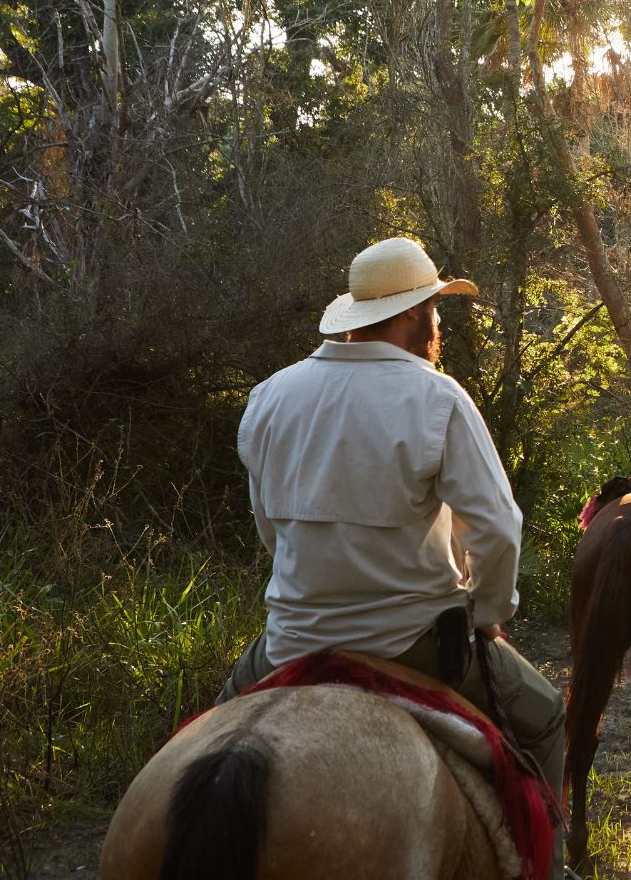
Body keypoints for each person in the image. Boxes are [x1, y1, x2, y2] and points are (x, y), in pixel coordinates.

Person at [215, 236, 566, 796]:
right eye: (433, 308)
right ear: (412, 314)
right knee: (546, 717)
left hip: (294, 639)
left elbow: (270, 529)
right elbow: (498, 528)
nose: (438, 323)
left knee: (210, 737)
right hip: (414, 643)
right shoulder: (438, 397)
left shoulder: (271, 397)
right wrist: (488, 613)